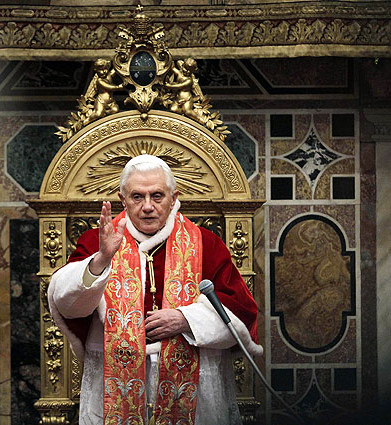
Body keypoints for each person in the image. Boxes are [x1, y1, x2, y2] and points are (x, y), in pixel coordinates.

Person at [48, 154, 262, 425]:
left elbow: (240, 311)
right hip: (113, 382)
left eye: (157, 196)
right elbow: (66, 305)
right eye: (137, 197)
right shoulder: (97, 241)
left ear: (174, 198)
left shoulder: (206, 244)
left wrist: (186, 319)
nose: (147, 206)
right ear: (122, 199)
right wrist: (101, 259)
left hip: (193, 386)